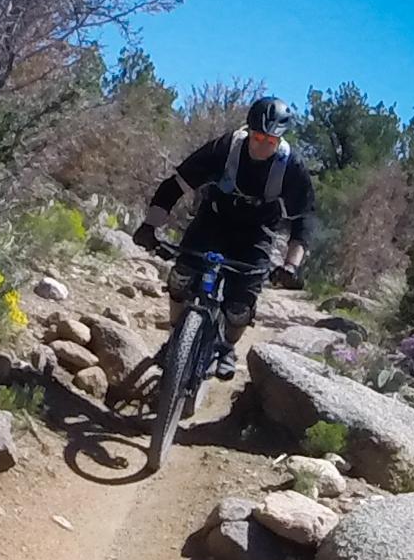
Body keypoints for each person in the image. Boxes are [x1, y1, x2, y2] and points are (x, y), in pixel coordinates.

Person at [132, 96, 316, 378]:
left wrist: (291, 266)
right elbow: (175, 185)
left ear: (279, 140)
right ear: (249, 131)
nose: (262, 145)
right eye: (257, 137)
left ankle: (227, 346)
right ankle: (176, 336)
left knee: (240, 306)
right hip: (213, 219)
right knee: (181, 276)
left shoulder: (292, 168)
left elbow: (302, 222)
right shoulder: (225, 148)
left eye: (270, 141)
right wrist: (149, 227)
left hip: (257, 233)